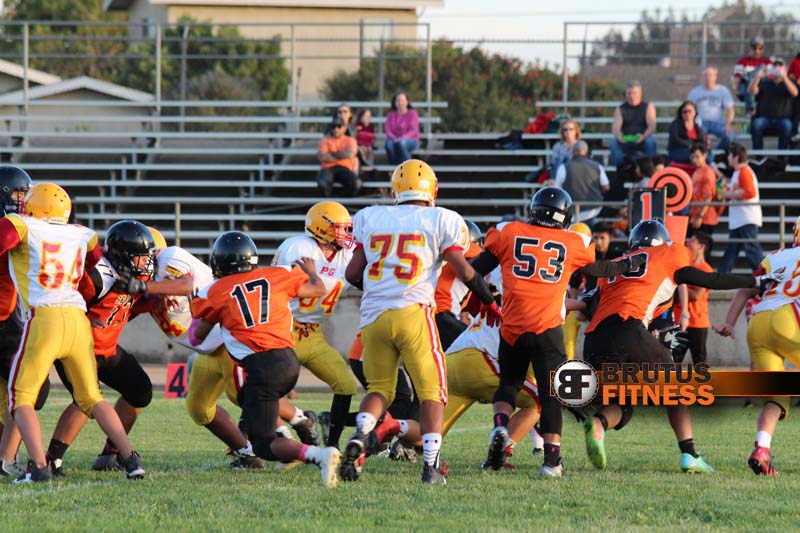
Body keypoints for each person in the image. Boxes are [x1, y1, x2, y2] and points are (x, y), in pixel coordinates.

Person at [340, 159, 500, 485]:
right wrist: (488, 300)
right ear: (433, 190)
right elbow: (465, 270)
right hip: (414, 313)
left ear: (396, 190)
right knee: (433, 393)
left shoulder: (371, 217)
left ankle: (361, 433)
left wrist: (380, 290)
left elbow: (353, 273)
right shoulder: (440, 218)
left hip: (373, 316)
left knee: (379, 389)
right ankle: (431, 467)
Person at [470, 187, 643, 477]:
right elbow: (599, 269)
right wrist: (628, 264)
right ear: (564, 216)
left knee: (509, 385)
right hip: (547, 328)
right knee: (551, 395)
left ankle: (500, 426)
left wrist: (489, 297)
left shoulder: (508, 232)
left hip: (512, 326)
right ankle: (551, 461)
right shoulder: (573, 241)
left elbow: (475, 269)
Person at [581, 219, 765, 474]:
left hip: (594, 341)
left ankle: (599, 423)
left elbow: (590, 309)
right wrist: (752, 282)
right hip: (628, 329)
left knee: (624, 401)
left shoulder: (616, 265)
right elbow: (710, 279)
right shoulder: (667, 254)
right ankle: (690, 454)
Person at [1, 183, 145, 483]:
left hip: (44, 318)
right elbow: (93, 266)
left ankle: (39, 467)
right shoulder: (82, 233)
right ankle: (131, 460)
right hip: (78, 319)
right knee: (92, 397)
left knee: (21, 398)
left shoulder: (21, 224)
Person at [189, 231, 341, 487]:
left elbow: (197, 337)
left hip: (261, 366)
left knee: (262, 444)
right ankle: (298, 426)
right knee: (248, 400)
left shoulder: (216, 290)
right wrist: (312, 272)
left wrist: (204, 314)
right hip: (289, 362)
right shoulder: (276, 274)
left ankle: (317, 455)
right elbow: (318, 289)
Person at [145, 228, 306, 469]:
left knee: (246, 397)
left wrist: (142, 288)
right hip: (206, 350)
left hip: (227, 341)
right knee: (199, 408)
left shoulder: (169, 257)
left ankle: (294, 429)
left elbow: (185, 285)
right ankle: (247, 452)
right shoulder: (146, 281)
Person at [44, 221, 184, 475]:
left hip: (106, 349)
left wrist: (153, 304)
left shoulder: (138, 277)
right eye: (142, 257)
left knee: (140, 391)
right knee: (86, 401)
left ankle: (111, 453)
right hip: (77, 348)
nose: (147, 264)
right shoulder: (96, 277)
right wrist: (81, 318)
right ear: (123, 255)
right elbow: (61, 300)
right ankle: (52, 460)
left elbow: (126, 306)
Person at [713, 216, 800, 476]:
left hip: (758, 323)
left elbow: (745, 289)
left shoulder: (776, 256)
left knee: (775, 396)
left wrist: (729, 323)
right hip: (788, 318)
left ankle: (762, 449)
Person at [272, 201, 359, 449]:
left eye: (346, 228)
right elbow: (282, 287)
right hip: (285, 329)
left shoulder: (347, 255)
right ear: (322, 228)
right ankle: (254, 443)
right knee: (266, 389)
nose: (345, 234)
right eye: (339, 228)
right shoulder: (299, 248)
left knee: (345, 385)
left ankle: (332, 445)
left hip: (313, 334)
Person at [0, 165, 50, 477]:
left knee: (33, 390)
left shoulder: (17, 226)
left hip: (7, 322)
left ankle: (5, 457)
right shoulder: (11, 227)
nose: (24, 201)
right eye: (19, 194)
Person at [434, 219, 485, 351]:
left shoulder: (437, 251)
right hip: (442, 315)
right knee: (479, 349)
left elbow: (474, 308)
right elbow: (475, 263)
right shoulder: (469, 250)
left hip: (422, 314)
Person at [718, 143, 764, 273]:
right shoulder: (739, 172)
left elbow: (750, 192)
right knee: (732, 251)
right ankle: (722, 276)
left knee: (752, 251)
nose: (728, 158)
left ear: (736, 157)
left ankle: (764, 276)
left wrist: (728, 194)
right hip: (741, 219)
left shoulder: (744, 171)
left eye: (730, 155)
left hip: (746, 219)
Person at [671, 232, 714, 365]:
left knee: (699, 362)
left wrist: (678, 284)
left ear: (701, 246)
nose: (687, 243)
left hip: (697, 322)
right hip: (678, 319)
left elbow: (696, 295)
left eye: (692, 241)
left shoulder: (706, 270)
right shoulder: (683, 266)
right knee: (673, 360)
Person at [554, 140, 610, 226]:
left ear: (573, 152)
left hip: (571, 213)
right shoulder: (597, 166)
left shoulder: (563, 167)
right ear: (586, 151)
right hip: (593, 211)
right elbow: (606, 187)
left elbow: (558, 190)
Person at [748, 59, 798, 151]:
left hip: (783, 119)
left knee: (787, 125)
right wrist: (758, 78)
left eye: (780, 67)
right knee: (756, 124)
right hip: (765, 118)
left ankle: (782, 156)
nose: (777, 70)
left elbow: (795, 93)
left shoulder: (788, 84)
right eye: (775, 67)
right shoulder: (765, 83)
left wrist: (784, 77)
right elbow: (751, 91)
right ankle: (759, 155)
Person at [688, 66, 736, 152]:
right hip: (700, 123)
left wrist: (728, 124)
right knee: (696, 137)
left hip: (718, 123)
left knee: (730, 135)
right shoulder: (695, 92)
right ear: (702, 77)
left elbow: (730, 109)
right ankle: (705, 155)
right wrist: (691, 123)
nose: (707, 77)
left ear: (715, 77)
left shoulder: (723, 90)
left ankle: (715, 154)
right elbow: (688, 108)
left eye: (710, 75)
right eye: (705, 75)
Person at [609, 80, 657, 166]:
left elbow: (652, 127)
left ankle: (649, 168)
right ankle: (621, 167)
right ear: (626, 94)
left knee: (650, 143)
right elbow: (616, 129)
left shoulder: (648, 107)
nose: (632, 96)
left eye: (634, 93)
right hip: (626, 140)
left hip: (642, 139)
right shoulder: (620, 109)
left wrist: (643, 136)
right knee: (614, 143)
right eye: (629, 93)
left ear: (640, 94)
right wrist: (620, 137)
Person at [316, 116, 360, 198]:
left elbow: (351, 154)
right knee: (322, 184)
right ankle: (328, 202)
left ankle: (342, 201)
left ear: (344, 128)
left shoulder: (350, 140)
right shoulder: (325, 140)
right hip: (328, 168)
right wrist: (342, 155)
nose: (336, 129)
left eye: (339, 126)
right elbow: (322, 157)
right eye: (333, 126)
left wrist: (331, 154)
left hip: (345, 168)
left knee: (356, 184)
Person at [733, 36, 773, 117]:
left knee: (761, 68)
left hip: (762, 88)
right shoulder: (742, 61)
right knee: (748, 79)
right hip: (746, 89)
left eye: (760, 48)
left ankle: (750, 109)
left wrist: (757, 77)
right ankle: (750, 109)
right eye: (754, 48)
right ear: (751, 48)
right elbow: (737, 77)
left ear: (763, 49)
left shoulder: (767, 61)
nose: (757, 51)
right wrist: (736, 86)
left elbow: (771, 77)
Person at [688, 143, 720, 238]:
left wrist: (700, 216)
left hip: (705, 219)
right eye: (692, 157)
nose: (694, 160)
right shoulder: (697, 171)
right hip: (697, 217)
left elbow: (708, 197)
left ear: (705, 156)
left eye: (697, 157)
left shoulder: (707, 173)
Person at [384, 91, 420, 165]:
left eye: (402, 100)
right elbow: (388, 129)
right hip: (394, 139)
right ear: (395, 102)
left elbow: (413, 130)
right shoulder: (391, 114)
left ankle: (407, 166)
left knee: (401, 143)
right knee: (388, 145)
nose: (400, 102)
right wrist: (394, 138)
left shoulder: (412, 114)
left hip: (410, 140)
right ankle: (394, 166)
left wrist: (402, 138)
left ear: (407, 102)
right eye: (398, 100)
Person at [355, 109, 376, 178]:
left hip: (368, 145)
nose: (367, 118)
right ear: (361, 117)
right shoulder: (356, 125)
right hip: (359, 145)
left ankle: (370, 168)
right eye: (365, 116)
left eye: (369, 116)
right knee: (362, 149)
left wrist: (362, 134)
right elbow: (357, 136)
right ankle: (365, 166)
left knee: (369, 150)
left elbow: (372, 137)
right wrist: (366, 135)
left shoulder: (371, 126)